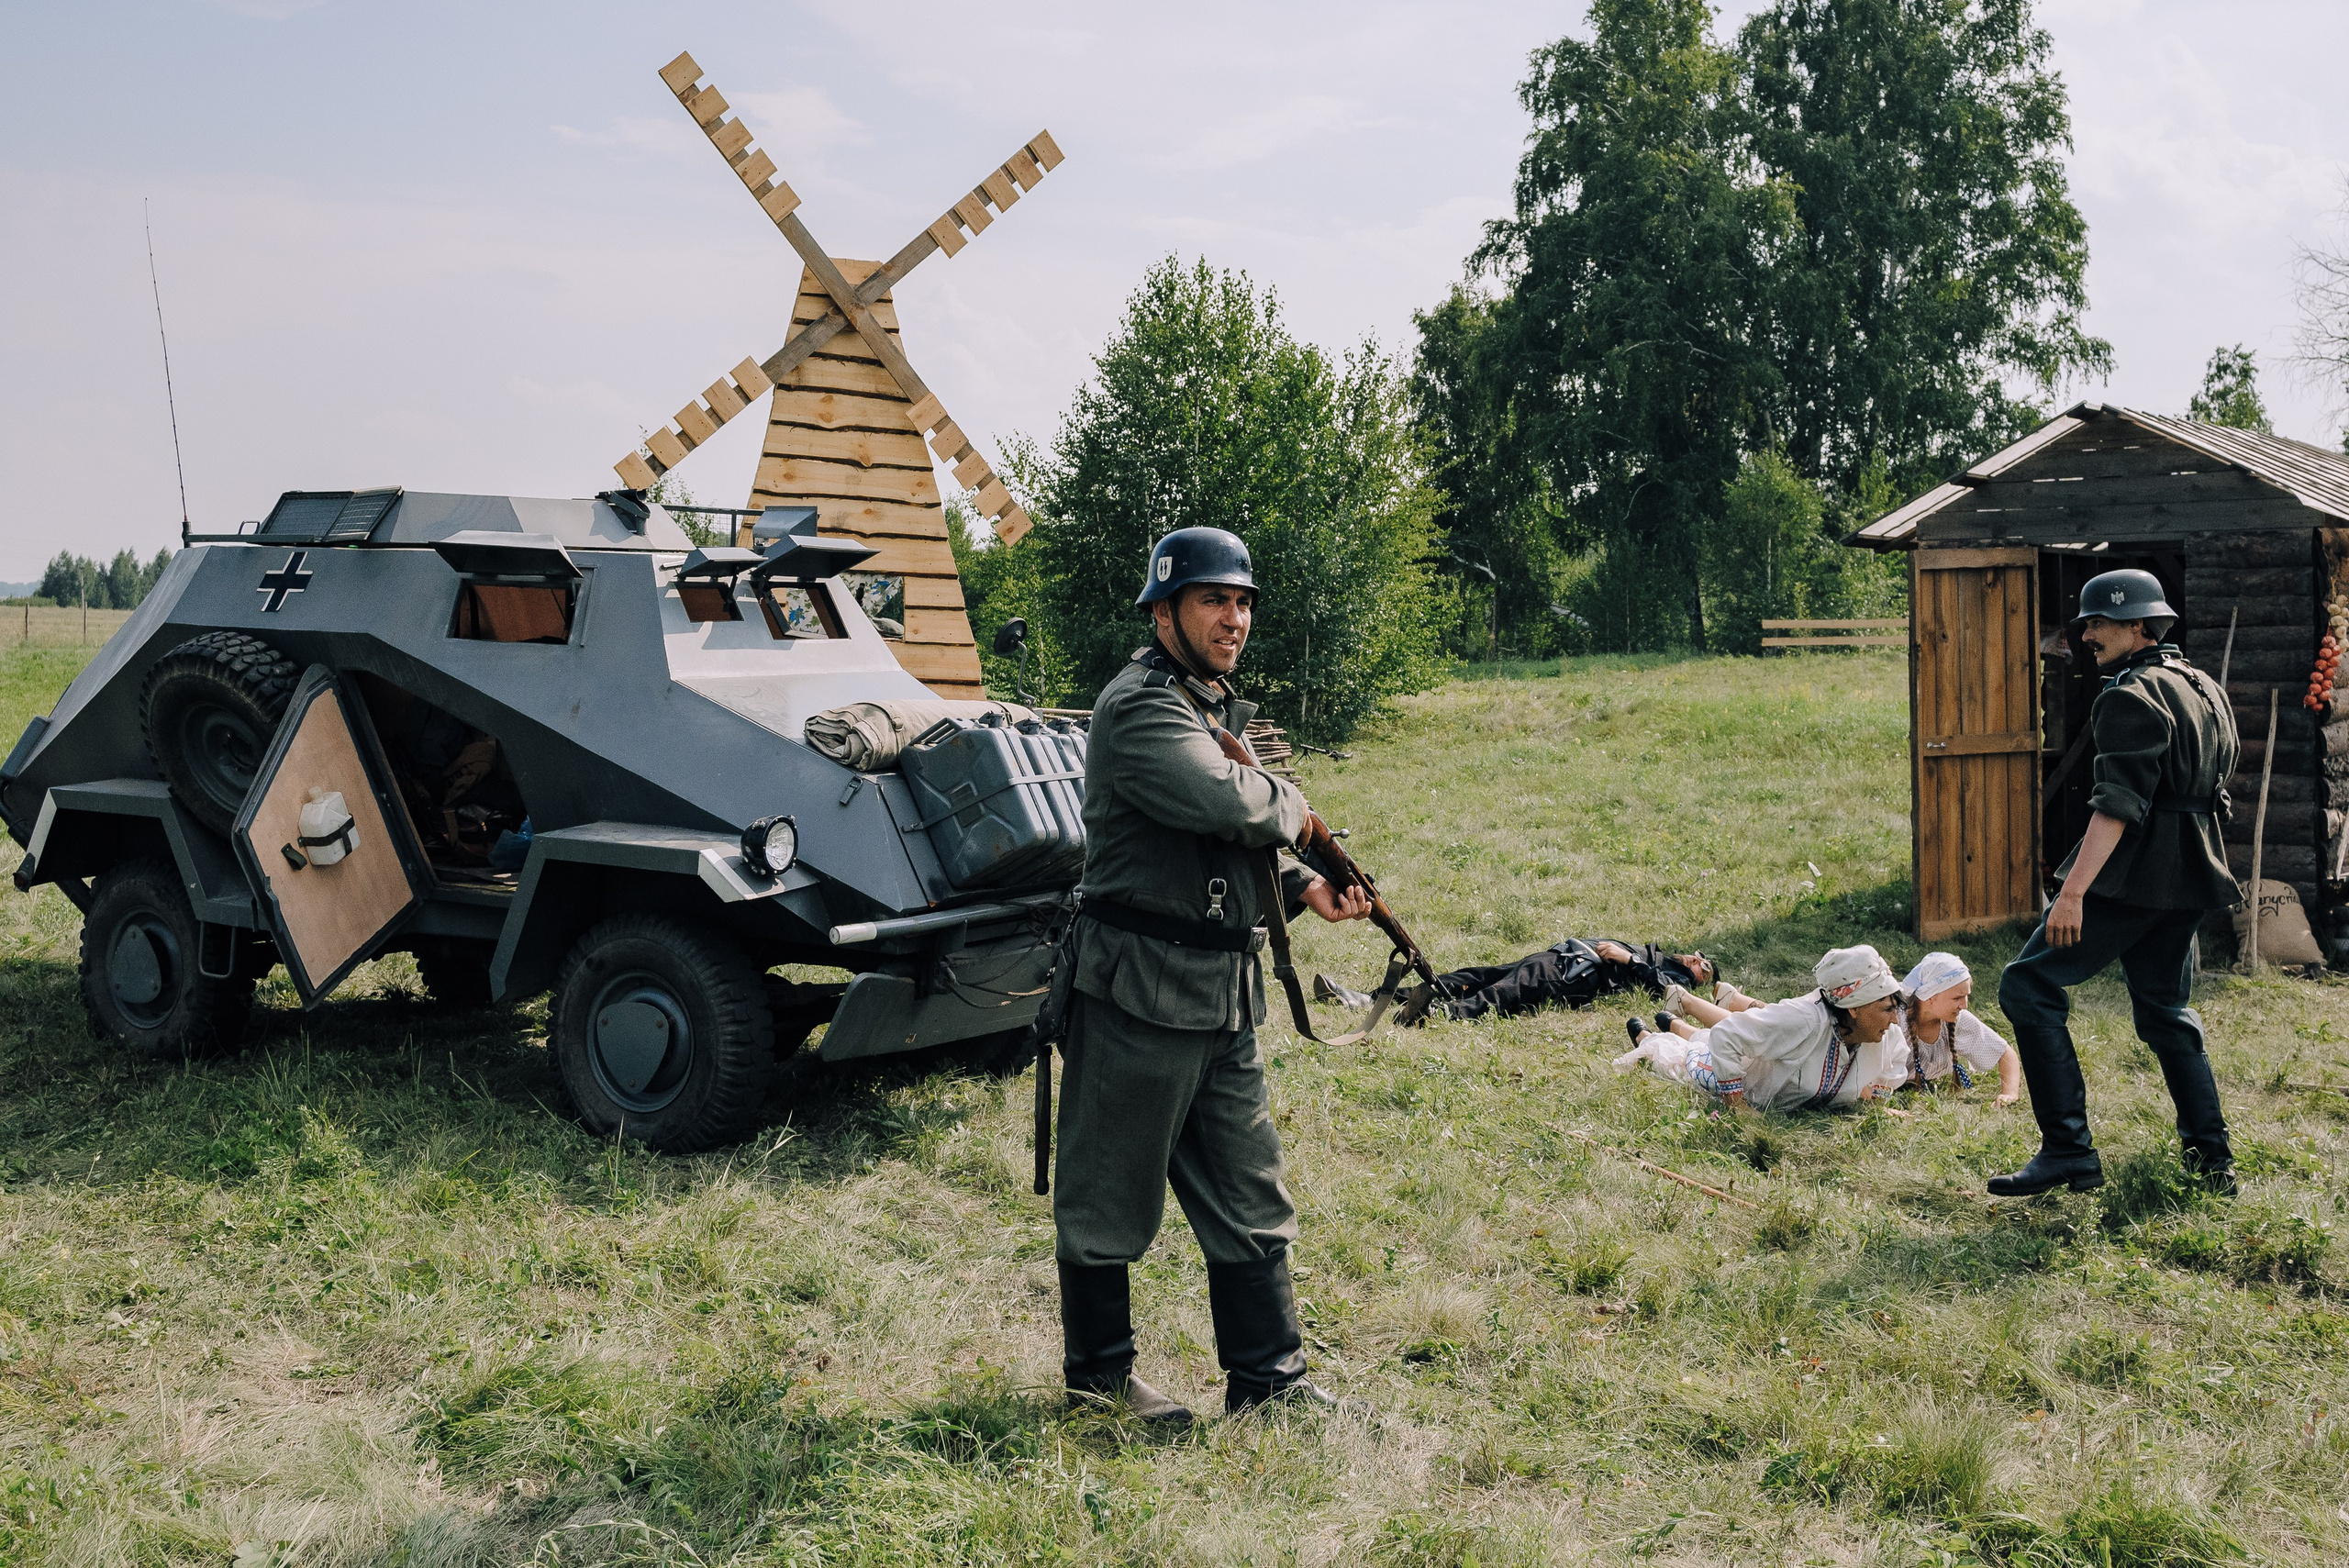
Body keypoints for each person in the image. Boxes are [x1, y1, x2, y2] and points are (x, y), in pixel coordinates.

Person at [1053, 526, 1372, 1429]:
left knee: (1250, 1190)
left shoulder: (1211, 704)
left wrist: (1306, 883)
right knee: (1107, 1193)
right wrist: (1297, 806)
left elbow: (1223, 848)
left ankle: (1268, 1384)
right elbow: (1221, 800)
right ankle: (1099, 1388)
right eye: (1211, 601)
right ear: (1164, 612)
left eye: (1241, 602)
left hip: (1222, 995)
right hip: (1136, 991)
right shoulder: (1142, 705)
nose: (1232, 618)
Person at [1989, 569, 2242, 1197]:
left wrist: (2071, 891)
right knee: (2166, 1013)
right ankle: (2214, 1163)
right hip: (2191, 875)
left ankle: (2068, 1151)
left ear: (2138, 626)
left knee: (2026, 985)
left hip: (2134, 876)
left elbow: (2117, 804)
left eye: (2098, 622)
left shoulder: (2131, 695)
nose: (2087, 633)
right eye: (2085, 623)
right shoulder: (2204, 687)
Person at [1613, 945, 1909, 1112]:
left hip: (1764, 1057)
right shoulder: (1802, 1021)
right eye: (1886, 1009)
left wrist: (1874, 1102)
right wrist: (1737, 1105)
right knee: (1676, 1063)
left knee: (1717, 1041)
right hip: (1747, 1082)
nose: (1895, 1020)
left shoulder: (1886, 1036)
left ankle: (1675, 1022)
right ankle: (1650, 1037)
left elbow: (1894, 1062)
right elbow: (1727, 1036)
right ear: (1853, 1009)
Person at [1314, 939, 1730, 1025]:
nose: (1698, 960)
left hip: (1572, 975)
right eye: (1699, 956)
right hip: (1559, 957)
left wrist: (1628, 958)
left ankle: (1435, 1015)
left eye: (1704, 968)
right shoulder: (1660, 955)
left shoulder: (1667, 975)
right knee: (1472, 976)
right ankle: (1370, 997)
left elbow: (1660, 988)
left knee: (1500, 994)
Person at [1891, 952, 2021, 1104]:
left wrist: (2010, 1094)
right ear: (1930, 997)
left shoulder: (1955, 1020)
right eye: (1957, 998)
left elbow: (2005, 1053)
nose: (1965, 1005)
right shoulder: (1895, 1020)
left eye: (1966, 996)